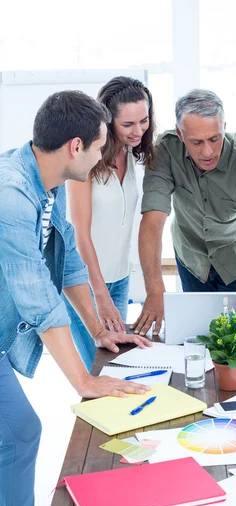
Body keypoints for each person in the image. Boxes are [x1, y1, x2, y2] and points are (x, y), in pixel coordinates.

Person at [0, 91, 151, 506]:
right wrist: (84, 382)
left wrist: (100, 332)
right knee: (21, 431)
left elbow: (66, 262)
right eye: (101, 145)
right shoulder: (11, 195)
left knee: (18, 432)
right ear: (75, 145)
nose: (106, 154)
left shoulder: (46, 180)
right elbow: (37, 297)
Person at [131, 89, 236, 336]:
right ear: (180, 134)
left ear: (224, 127)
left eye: (215, 139)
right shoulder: (165, 150)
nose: (208, 152)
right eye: (196, 142)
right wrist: (155, 290)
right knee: (198, 337)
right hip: (192, 259)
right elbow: (153, 220)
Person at [65, 77, 155, 371]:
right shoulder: (85, 158)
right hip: (87, 285)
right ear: (107, 120)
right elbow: (80, 233)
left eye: (143, 121)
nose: (138, 130)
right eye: (128, 124)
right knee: (97, 368)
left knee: (118, 366)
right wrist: (100, 295)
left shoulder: (131, 152)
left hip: (119, 278)